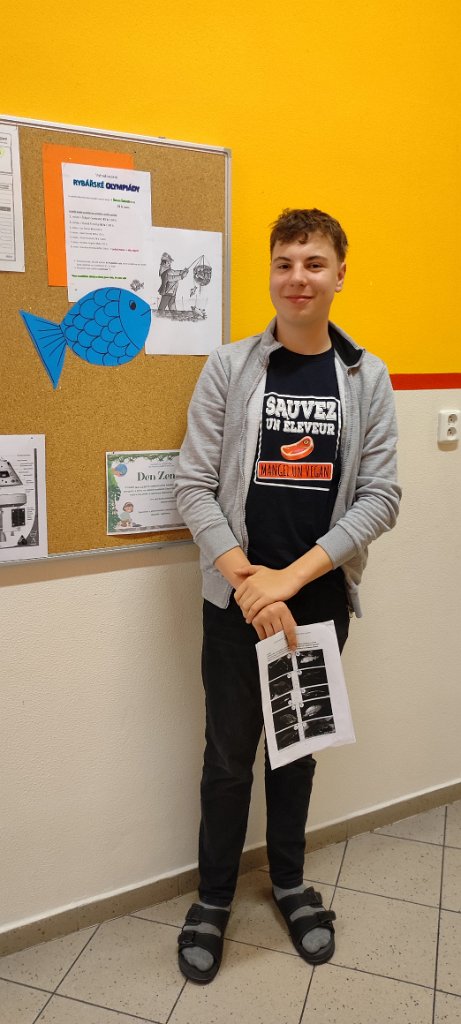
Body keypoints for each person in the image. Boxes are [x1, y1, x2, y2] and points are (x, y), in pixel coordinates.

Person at [174, 208, 401, 983]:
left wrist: (290, 581)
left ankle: (290, 884)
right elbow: (192, 486)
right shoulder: (230, 367)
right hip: (233, 604)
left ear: (339, 274)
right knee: (227, 758)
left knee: (296, 754)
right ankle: (212, 898)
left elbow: (380, 498)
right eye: (283, 263)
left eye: (312, 263)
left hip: (317, 605)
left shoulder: (366, 376)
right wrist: (250, 583)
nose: (296, 277)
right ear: (270, 273)